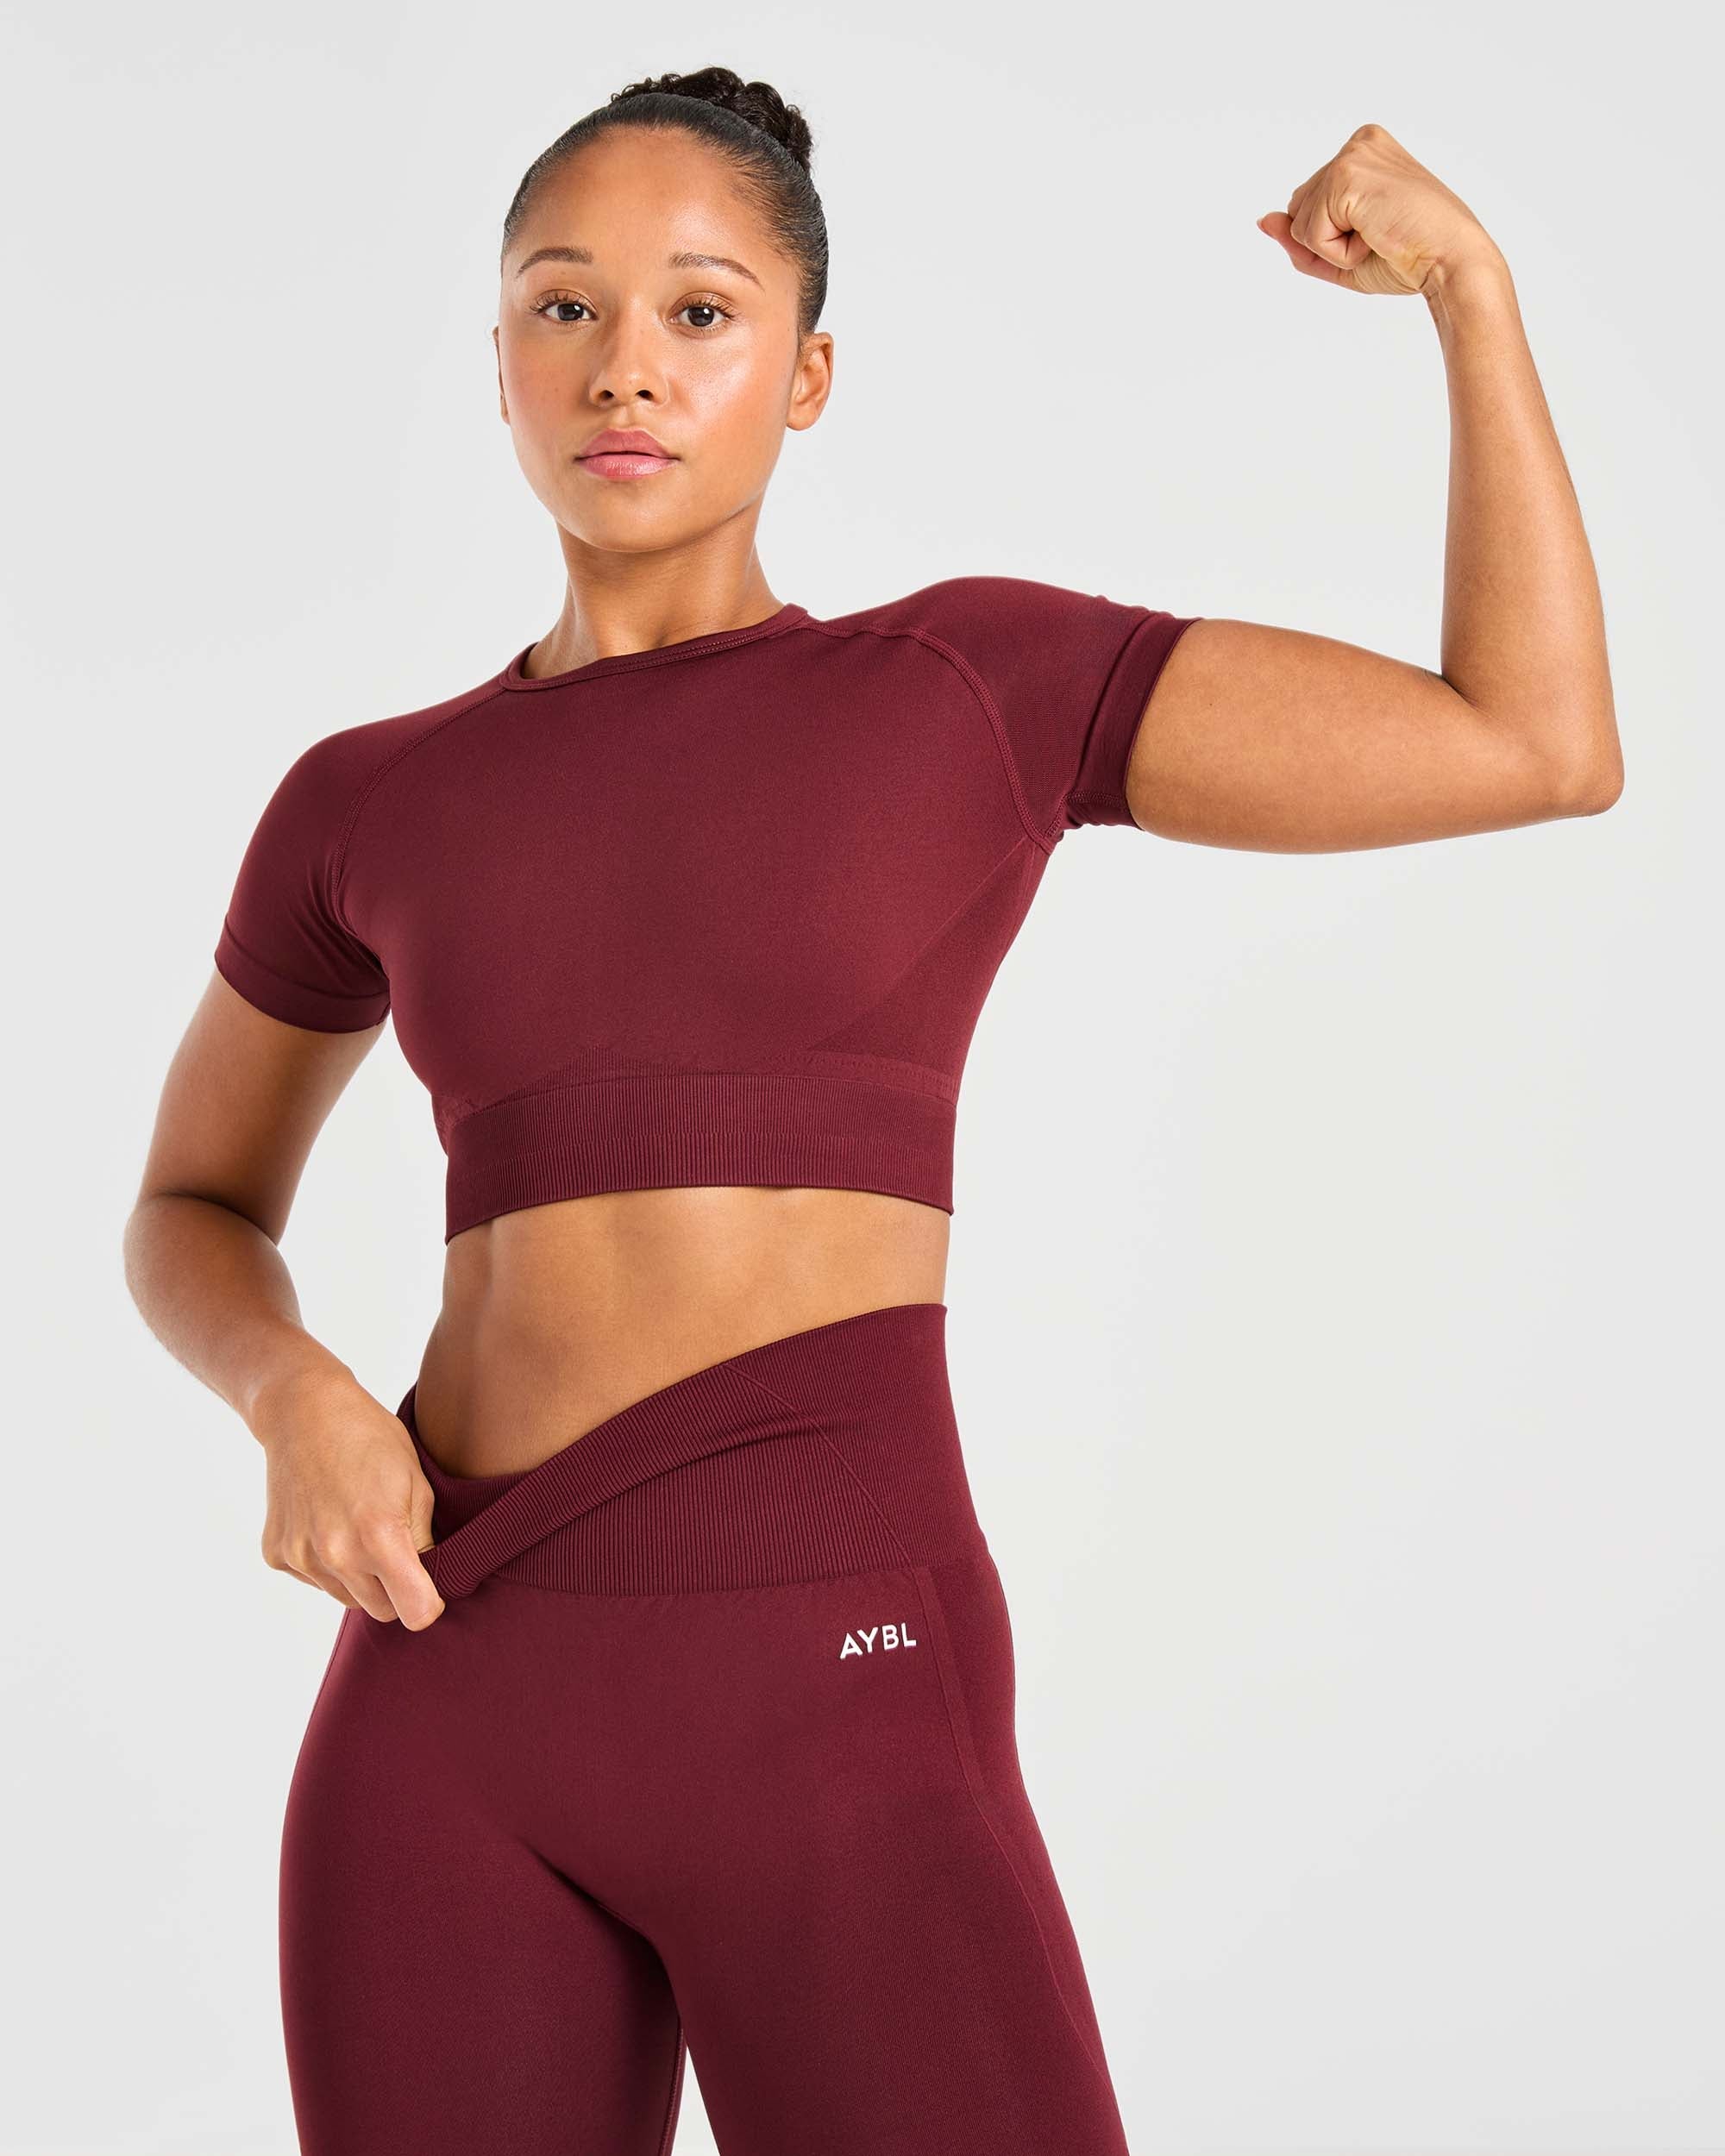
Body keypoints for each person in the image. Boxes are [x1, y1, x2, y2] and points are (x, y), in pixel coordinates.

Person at [122, 66, 1622, 2156]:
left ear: (806, 376)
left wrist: (1469, 289)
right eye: (563, 306)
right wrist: (289, 1391)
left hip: (835, 1671)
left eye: (700, 310)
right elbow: (193, 1202)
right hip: (447, 1687)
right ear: (495, 362)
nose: (625, 365)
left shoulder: (965, 687)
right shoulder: (364, 797)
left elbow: (1532, 742)